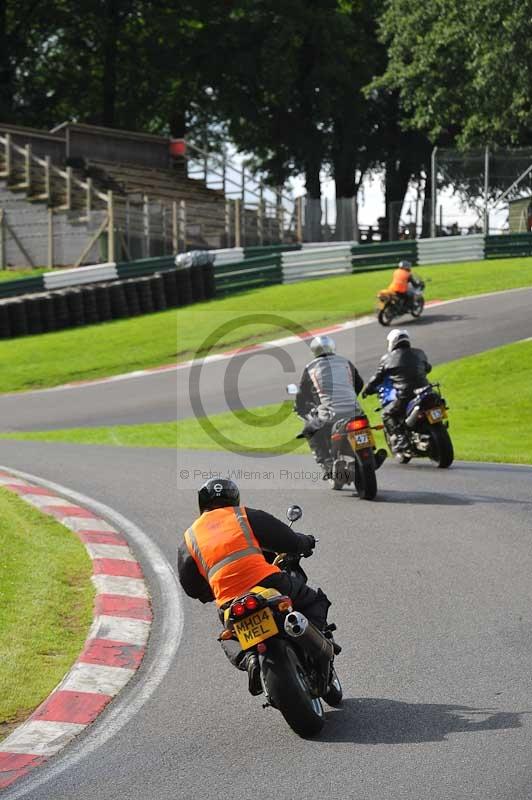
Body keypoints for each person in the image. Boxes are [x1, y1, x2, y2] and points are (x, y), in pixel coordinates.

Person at [177, 478, 336, 695]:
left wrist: (212, 592)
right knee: (315, 600)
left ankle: (250, 659)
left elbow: (191, 585)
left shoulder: (189, 538)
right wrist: (306, 542)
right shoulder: (241, 515)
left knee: (229, 636)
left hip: (229, 601)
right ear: (234, 498)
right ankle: (311, 647)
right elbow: (287, 539)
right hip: (267, 582)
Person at [295, 334, 364, 474]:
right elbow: (359, 384)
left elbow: (303, 393)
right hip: (356, 412)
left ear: (314, 350)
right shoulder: (346, 362)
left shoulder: (310, 368)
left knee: (309, 430)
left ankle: (326, 462)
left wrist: (300, 407)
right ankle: (370, 454)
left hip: (330, 416)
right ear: (332, 346)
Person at [362, 329, 432, 451]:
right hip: (426, 391)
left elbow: (377, 378)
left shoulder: (387, 358)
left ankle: (401, 438)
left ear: (392, 342)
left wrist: (367, 390)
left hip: (406, 395)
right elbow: (428, 368)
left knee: (386, 413)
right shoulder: (420, 353)